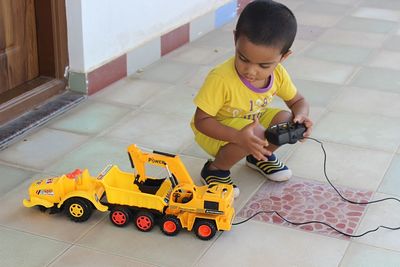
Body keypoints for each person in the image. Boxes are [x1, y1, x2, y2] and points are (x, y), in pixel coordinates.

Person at [191, 0, 313, 198]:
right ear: (235, 40)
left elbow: (298, 101)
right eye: (243, 58)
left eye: (264, 66)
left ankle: (258, 157)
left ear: (284, 56)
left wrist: (301, 117)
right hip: (215, 130)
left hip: (250, 124)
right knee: (256, 132)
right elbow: (201, 122)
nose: (251, 71)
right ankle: (215, 170)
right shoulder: (221, 79)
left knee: (285, 120)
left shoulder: (279, 74)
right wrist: (237, 137)